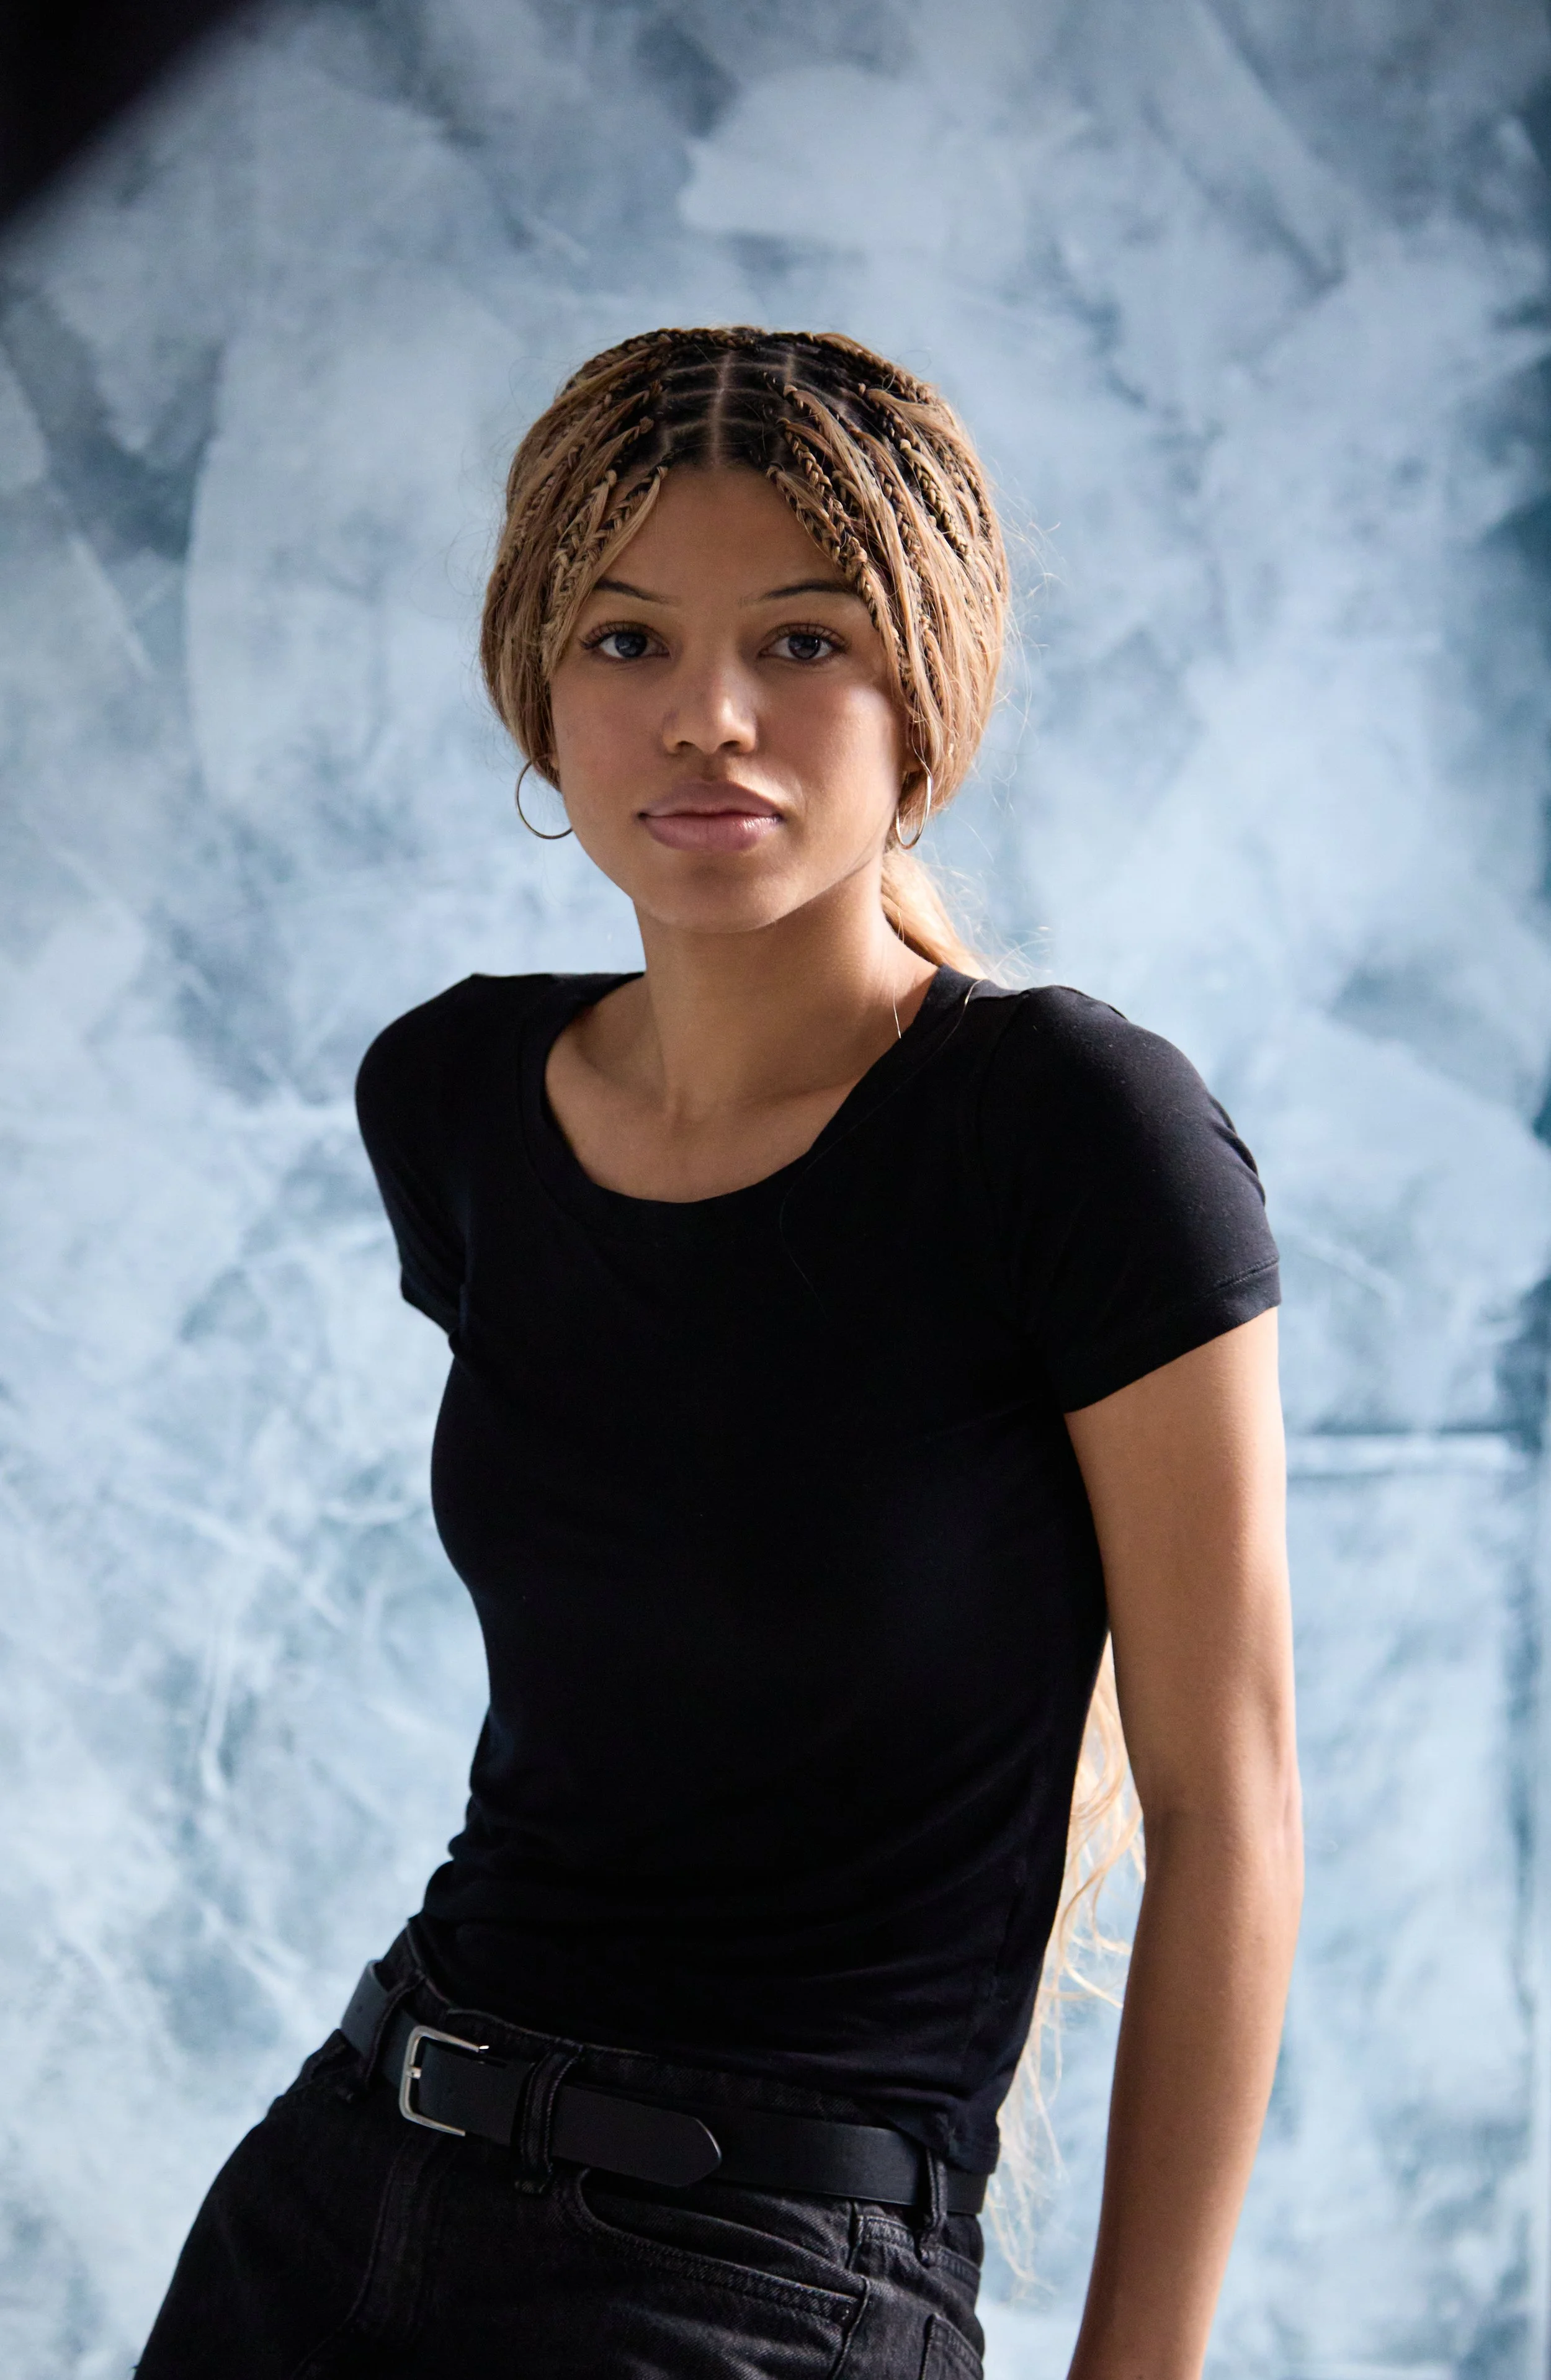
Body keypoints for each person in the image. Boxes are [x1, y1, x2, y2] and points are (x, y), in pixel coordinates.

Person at [138, 326, 1302, 2379]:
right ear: (536, 686)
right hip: (332, 2207)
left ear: (921, 686)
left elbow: (1230, 1807)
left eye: (800, 638)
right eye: (622, 640)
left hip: (760, 2274)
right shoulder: (455, 1095)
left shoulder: (1072, 1134)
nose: (708, 718)